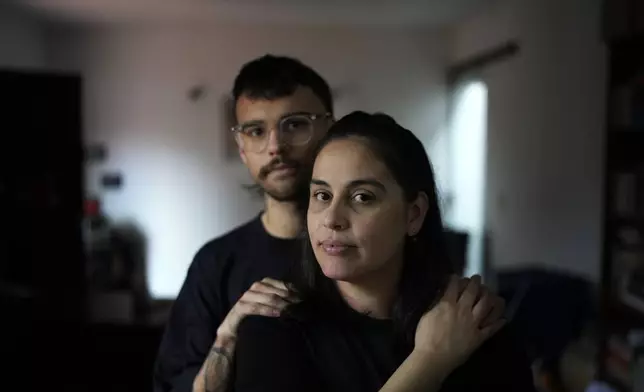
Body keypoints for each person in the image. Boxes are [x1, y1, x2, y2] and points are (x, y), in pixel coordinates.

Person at [153, 56, 507, 392]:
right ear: (241, 146)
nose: (276, 146)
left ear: (328, 128)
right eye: (256, 131)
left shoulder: (460, 320)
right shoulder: (221, 271)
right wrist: (229, 337)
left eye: (295, 125)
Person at [232, 112, 536, 391]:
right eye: (322, 195)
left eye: (362, 197)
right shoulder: (273, 331)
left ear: (414, 214)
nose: (332, 219)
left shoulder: (474, 329)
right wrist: (429, 361)